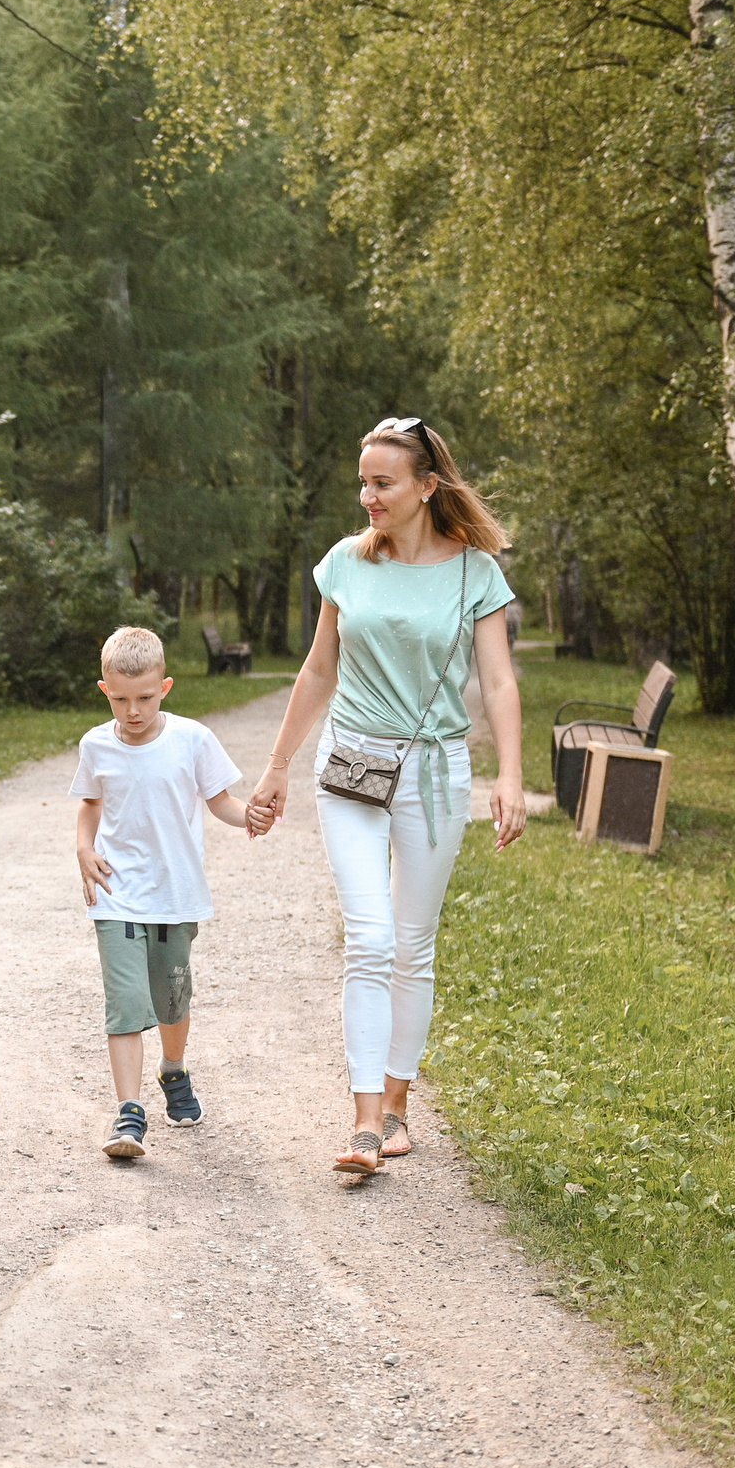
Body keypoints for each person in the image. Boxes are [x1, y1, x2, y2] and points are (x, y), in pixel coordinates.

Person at [245, 417, 526, 1176]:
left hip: (434, 777)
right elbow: (316, 672)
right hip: (349, 770)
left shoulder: (476, 574)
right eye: (363, 482)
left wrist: (509, 776)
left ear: (427, 487)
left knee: (412, 946)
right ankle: (366, 1118)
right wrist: (274, 769)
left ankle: (398, 1107)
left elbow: (497, 681)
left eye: (382, 483)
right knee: (369, 938)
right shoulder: (345, 562)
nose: (367, 496)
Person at [72, 627, 256, 1158]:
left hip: (175, 894)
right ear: (105, 689)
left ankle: (172, 1070)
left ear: (165, 687)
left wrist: (251, 817)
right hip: (117, 893)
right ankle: (129, 1114)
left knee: (172, 999)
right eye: (122, 699)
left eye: (145, 698)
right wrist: (84, 849)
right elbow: (88, 804)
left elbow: (220, 801)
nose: (133, 711)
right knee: (126, 1005)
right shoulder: (96, 744)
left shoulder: (193, 740)